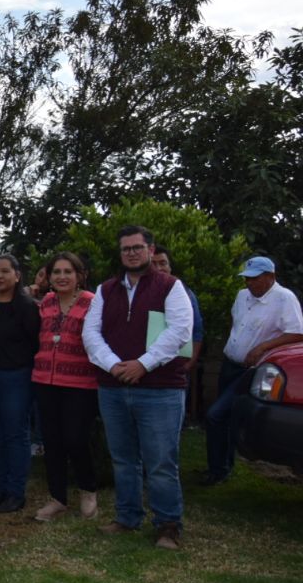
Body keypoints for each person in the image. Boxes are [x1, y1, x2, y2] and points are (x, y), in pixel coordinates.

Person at [82, 225, 193, 550]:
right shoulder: (105, 290)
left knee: (160, 461)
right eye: (125, 248)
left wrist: (142, 364)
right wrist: (113, 364)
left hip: (160, 388)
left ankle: (168, 525)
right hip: (113, 386)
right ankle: (127, 518)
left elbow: (179, 332)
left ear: (150, 249)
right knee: (123, 458)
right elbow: (91, 333)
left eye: (137, 247)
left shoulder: (170, 287)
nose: (131, 253)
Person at [201, 256, 303, 486]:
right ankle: (221, 467)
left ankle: (218, 469)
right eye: (247, 278)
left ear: (270, 277)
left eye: (255, 279)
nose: (249, 283)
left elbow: (297, 333)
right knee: (223, 418)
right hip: (230, 364)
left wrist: (262, 346)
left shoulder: (284, 299)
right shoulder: (242, 296)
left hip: (251, 370)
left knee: (215, 415)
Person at [30, 252, 99, 522]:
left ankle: (88, 491)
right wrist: (33, 288)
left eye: (67, 271)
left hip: (80, 382)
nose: (61, 277)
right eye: (56, 272)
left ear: (79, 276)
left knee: (76, 439)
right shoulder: (45, 302)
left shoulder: (92, 303)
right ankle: (57, 498)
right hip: (45, 380)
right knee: (52, 441)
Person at [0, 254, 40, 513]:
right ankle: (0, 486)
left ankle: (16, 491)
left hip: (16, 378)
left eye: (4, 271)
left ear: (16, 275)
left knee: (15, 435)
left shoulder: (27, 307)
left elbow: (36, 344)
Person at [152, 245, 204, 424]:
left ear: (170, 266)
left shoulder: (186, 294)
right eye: (153, 263)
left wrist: (190, 362)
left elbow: (197, 330)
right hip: (144, 368)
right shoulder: (138, 294)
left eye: (163, 263)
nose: (159, 268)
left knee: (171, 422)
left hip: (175, 368)